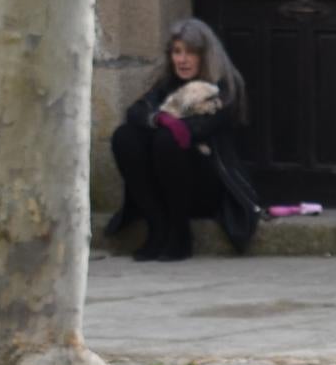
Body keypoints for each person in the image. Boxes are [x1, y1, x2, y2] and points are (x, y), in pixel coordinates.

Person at [105, 19, 264, 261]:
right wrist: (160, 119)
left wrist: (164, 122)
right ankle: (157, 227)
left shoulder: (224, 87)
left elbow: (197, 129)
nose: (182, 59)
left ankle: (180, 234)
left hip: (208, 184)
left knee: (167, 141)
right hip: (164, 182)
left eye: (191, 53)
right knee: (124, 137)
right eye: (177, 52)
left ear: (205, 56)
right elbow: (136, 111)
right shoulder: (167, 84)